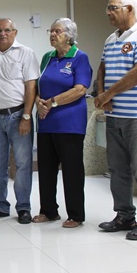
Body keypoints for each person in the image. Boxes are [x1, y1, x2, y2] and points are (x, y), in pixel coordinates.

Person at [95, 0, 137, 240]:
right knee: (117, 169)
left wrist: (107, 94)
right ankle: (124, 215)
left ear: (130, 9)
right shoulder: (111, 38)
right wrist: (101, 94)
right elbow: (102, 68)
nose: (108, 12)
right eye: (108, 7)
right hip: (114, 116)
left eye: (113, 8)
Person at [33, 18, 92, 228]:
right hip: (46, 122)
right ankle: (48, 211)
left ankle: (75, 214)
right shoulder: (47, 57)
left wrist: (53, 102)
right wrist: (39, 101)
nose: (52, 34)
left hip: (70, 123)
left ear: (69, 35)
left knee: (71, 170)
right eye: (51, 31)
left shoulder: (79, 57)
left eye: (57, 31)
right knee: (46, 169)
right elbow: (39, 84)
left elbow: (80, 89)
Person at [0, 18, 39, 224]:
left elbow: (31, 86)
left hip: (18, 116)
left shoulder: (26, 53)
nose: (2, 33)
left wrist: (26, 115)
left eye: (7, 30)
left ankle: (23, 207)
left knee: (23, 164)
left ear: (15, 32)